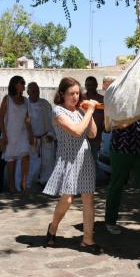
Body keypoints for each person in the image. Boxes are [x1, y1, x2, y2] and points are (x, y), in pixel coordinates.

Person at [43, 77, 100, 253]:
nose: (75, 97)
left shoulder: (81, 111)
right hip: (68, 157)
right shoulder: (57, 112)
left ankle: (87, 240)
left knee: (88, 198)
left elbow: (92, 134)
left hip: (85, 156)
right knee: (67, 199)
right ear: (62, 94)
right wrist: (90, 110)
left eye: (77, 93)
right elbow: (76, 131)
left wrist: (87, 113)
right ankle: (53, 227)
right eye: (71, 93)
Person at [104, 115, 140, 238]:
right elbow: (110, 125)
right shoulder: (118, 101)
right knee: (116, 185)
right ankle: (110, 222)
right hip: (121, 149)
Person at [0, 75, 33, 194]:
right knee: (11, 160)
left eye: (24, 82)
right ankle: (11, 186)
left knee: (26, 155)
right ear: (15, 84)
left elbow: (28, 119)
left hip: (23, 133)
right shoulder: (7, 99)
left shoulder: (26, 100)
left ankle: (23, 182)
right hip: (10, 133)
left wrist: (30, 134)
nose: (24, 85)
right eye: (22, 82)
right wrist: (4, 134)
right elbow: (1, 117)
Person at [26, 82, 55, 188]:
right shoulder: (25, 105)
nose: (35, 93)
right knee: (33, 163)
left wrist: (51, 134)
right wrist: (29, 137)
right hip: (31, 139)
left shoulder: (45, 104)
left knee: (48, 161)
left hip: (46, 137)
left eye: (37, 90)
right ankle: (29, 184)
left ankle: (46, 182)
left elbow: (52, 121)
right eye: (33, 91)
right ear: (28, 92)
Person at [81, 76, 104, 163]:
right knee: (82, 161)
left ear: (96, 85)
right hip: (82, 136)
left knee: (95, 161)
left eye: (92, 85)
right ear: (85, 86)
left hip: (98, 137)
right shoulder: (81, 99)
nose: (90, 87)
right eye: (88, 85)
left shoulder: (102, 99)